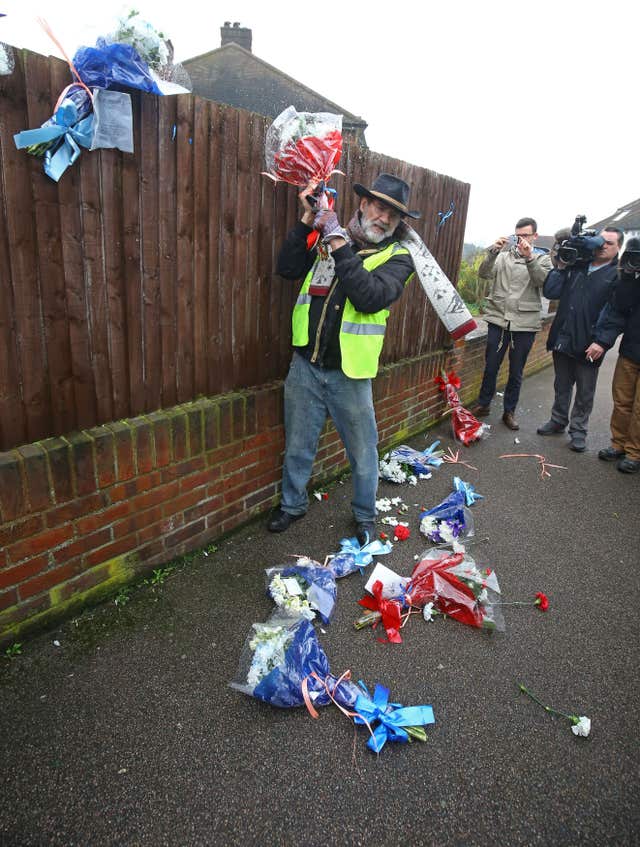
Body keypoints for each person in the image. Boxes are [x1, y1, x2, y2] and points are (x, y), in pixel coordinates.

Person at [267, 174, 419, 544]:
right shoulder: (328, 235)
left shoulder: (399, 258)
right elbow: (288, 268)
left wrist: (336, 239)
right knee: (299, 445)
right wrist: (307, 221)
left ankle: (365, 516)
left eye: (393, 215)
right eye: (379, 207)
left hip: (350, 375)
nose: (384, 218)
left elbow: (368, 297)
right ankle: (292, 505)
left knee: (363, 453)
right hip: (306, 364)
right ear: (364, 204)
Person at [537, 227, 623, 451]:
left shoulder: (617, 275)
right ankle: (558, 421)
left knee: (585, 392)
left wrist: (602, 342)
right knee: (561, 385)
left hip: (590, 343)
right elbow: (551, 291)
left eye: (610, 243)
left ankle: (578, 431)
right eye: (600, 241)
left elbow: (616, 313)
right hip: (563, 338)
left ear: (619, 248)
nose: (603, 246)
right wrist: (562, 266)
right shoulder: (577, 265)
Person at [471, 218, 552, 430]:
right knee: (490, 367)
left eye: (526, 235)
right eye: (518, 235)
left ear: (535, 236)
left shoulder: (543, 259)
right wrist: (492, 252)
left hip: (524, 324)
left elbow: (543, 283)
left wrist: (529, 258)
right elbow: (483, 273)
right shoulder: (503, 257)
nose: (521, 239)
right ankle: (484, 404)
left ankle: (509, 411)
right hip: (498, 320)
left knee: (516, 371)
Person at [587, 238, 640, 473]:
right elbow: (620, 308)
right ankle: (618, 444)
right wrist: (628, 276)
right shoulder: (631, 278)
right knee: (622, 402)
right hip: (631, 350)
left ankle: (634, 452)